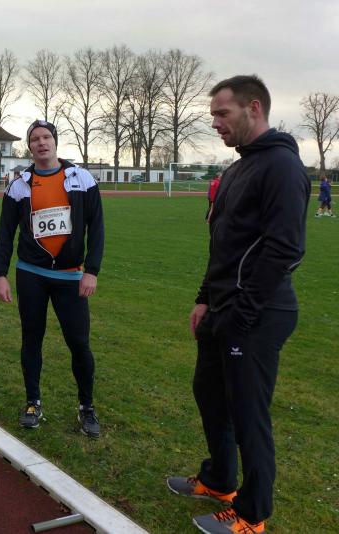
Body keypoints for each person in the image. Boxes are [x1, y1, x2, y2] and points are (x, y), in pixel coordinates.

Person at [167, 75, 310, 534]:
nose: (215, 123)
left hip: (258, 312)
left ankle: (252, 515)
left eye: (221, 113)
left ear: (254, 108)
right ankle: (219, 480)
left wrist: (242, 314)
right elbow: (224, 247)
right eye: (212, 115)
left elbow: (285, 250)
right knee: (209, 394)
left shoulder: (282, 167)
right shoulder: (237, 168)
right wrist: (204, 299)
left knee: (249, 413)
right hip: (223, 306)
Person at [0, 120, 105, 438]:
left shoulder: (81, 179)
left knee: (79, 343)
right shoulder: (19, 185)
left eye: (46, 137)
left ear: (55, 142)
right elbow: (5, 233)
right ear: (30, 146)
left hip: (71, 276)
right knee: (32, 339)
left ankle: (86, 407)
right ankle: (33, 403)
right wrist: (0, 274)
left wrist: (92, 270)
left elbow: (97, 228)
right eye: (35, 139)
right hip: (32, 274)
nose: (41, 143)